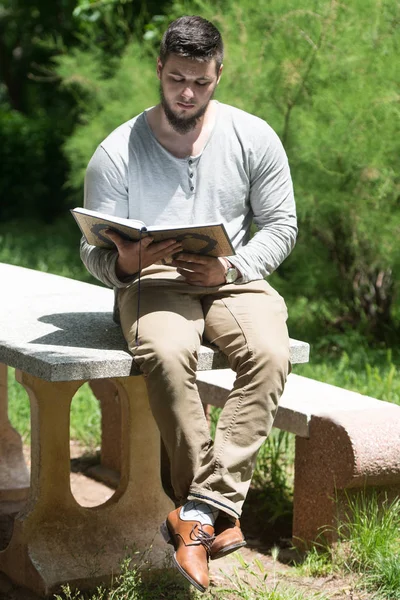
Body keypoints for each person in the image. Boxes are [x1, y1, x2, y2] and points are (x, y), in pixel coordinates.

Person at [81, 15, 297, 593]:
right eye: (176, 79)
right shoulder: (116, 150)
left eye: (199, 82)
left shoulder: (254, 137)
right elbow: (93, 250)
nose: (186, 93)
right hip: (152, 283)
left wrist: (231, 265)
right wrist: (124, 262)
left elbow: (280, 225)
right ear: (159, 69)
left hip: (233, 278)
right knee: (166, 352)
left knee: (272, 353)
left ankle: (196, 514)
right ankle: (212, 515)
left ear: (218, 74)